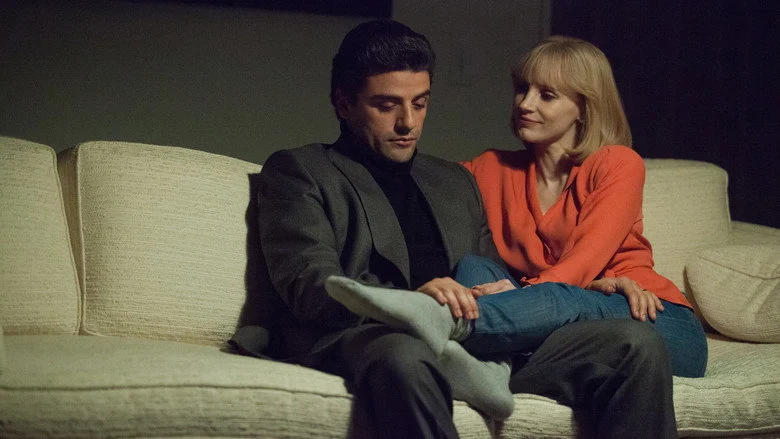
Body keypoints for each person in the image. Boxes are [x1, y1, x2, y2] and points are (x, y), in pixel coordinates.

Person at [233, 21, 677, 439]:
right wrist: (414, 301)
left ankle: (453, 342)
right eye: (387, 106)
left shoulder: (453, 180)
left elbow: (497, 281)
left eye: (420, 103)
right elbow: (310, 287)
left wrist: (597, 286)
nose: (408, 123)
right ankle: (427, 326)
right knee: (404, 353)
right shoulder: (301, 171)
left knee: (634, 342)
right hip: (368, 335)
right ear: (344, 103)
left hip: (472, 343)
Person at [328, 35, 707, 379]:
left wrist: (545, 293)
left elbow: (580, 266)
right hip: (554, 321)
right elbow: (411, 181)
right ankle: (485, 356)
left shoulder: (617, 163)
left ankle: (430, 325)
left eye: (547, 95)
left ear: (583, 107)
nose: (525, 104)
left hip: (649, 316)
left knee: (564, 296)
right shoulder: (491, 169)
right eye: (523, 89)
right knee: (472, 266)